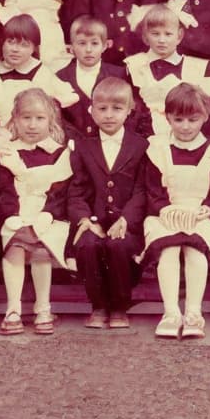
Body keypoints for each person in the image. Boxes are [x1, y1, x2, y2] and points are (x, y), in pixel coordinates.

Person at [140, 83, 210, 339]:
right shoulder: (157, 149)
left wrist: (205, 210)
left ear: (205, 117)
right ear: (167, 117)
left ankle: (194, 312)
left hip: (202, 216)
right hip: (167, 214)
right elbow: (152, 190)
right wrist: (164, 209)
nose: (185, 126)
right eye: (178, 119)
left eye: (192, 119)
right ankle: (171, 312)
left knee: (195, 248)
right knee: (170, 249)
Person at [66, 77, 148, 329]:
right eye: (102, 109)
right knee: (88, 245)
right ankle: (99, 305)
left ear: (129, 109)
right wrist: (86, 220)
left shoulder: (141, 145)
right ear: (91, 111)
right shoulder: (82, 146)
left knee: (119, 246)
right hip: (93, 220)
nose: (109, 115)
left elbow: (142, 190)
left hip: (128, 223)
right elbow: (76, 191)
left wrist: (126, 219)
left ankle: (120, 306)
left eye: (117, 108)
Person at [0, 88, 75, 336]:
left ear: (50, 120)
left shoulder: (60, 154)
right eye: (25, 118)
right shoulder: (7, 153)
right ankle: (13, 309)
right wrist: (11, 215)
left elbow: (61, 192)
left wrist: (48, 214)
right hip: (16, 215)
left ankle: (43, 308)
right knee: (15, 247)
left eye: (39, 118)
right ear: (15, 120)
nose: (32, 125)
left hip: (48, 217)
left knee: (41, 249)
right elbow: (2, 191)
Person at [0, 14, 78, 146]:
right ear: (2, 42)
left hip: (38, 136)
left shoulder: (41, 72)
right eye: (10, 42)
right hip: (4, 138)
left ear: (34, 48)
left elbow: (67, 98)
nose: (15, 49)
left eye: (24, 45)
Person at [124, 2, 210, 138]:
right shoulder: (135, 65)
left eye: (168, 34)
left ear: (179, 36)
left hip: (186, 135)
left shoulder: (196, 68)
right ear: (145, 36)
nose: (161, 40)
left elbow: (208, 115)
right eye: (155, 34)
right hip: (146, 135)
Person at [56, 15, 127, 140]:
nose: (88, 50)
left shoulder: (119, 75)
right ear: (71, 48)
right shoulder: (61, 77)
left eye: (94, 43)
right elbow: (57, 118)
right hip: (72, 145)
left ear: (105, 45)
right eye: (82, 43)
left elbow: (128, 113)